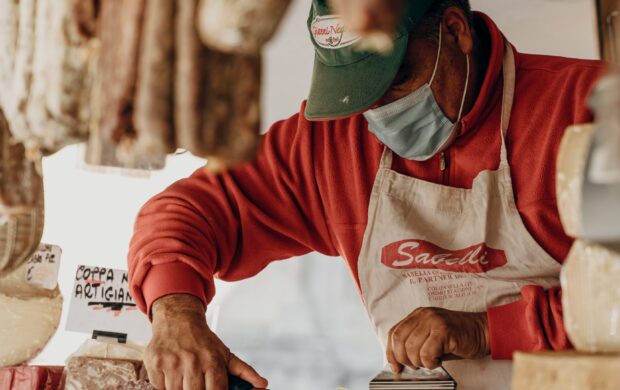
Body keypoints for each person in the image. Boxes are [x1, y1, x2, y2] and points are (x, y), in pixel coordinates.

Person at [127, 0, 607, 389]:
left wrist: (485, 329)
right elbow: (184, 211)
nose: (380, 114)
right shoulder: (334, 143)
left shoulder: (590, 110)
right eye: (359, 96)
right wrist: (176, 311)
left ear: (455, 33)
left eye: (395, 81)